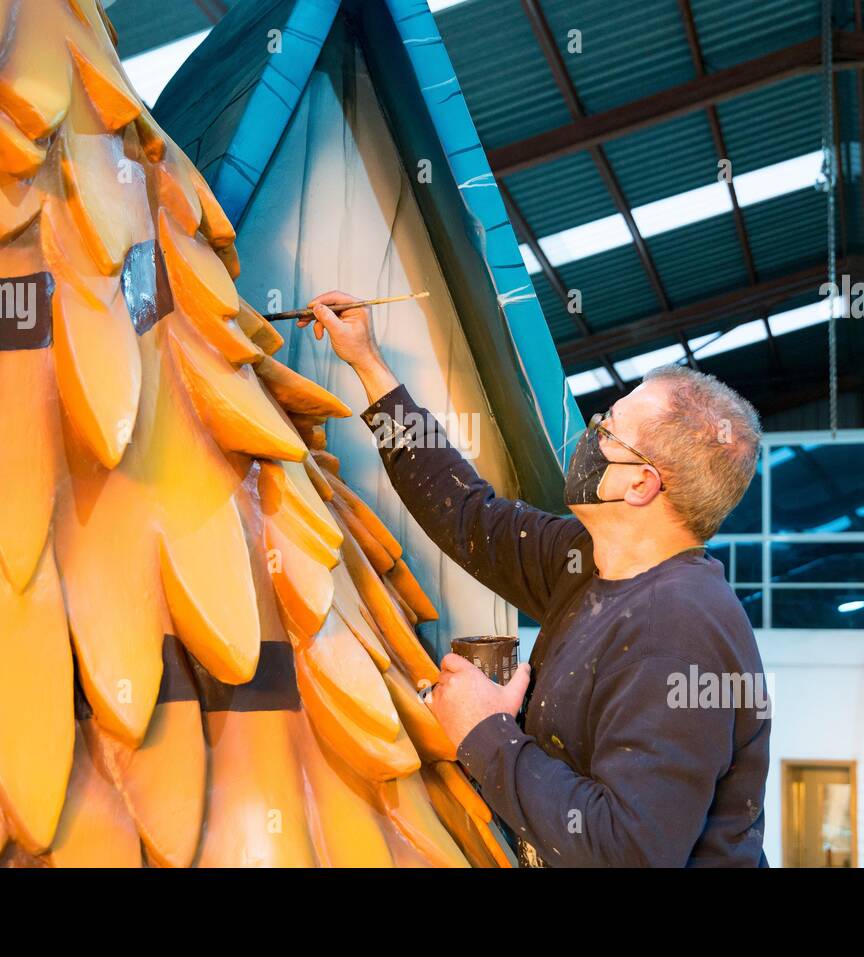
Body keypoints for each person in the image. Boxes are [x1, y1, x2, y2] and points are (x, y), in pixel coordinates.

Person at [299, 291, 771, 867]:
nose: (589, 438)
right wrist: (368, 363)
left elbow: (628, 851)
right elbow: (467, 515)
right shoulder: (588, 562)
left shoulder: (678, 628)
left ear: (641, 485)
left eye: (607, 431)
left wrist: (485, 732)